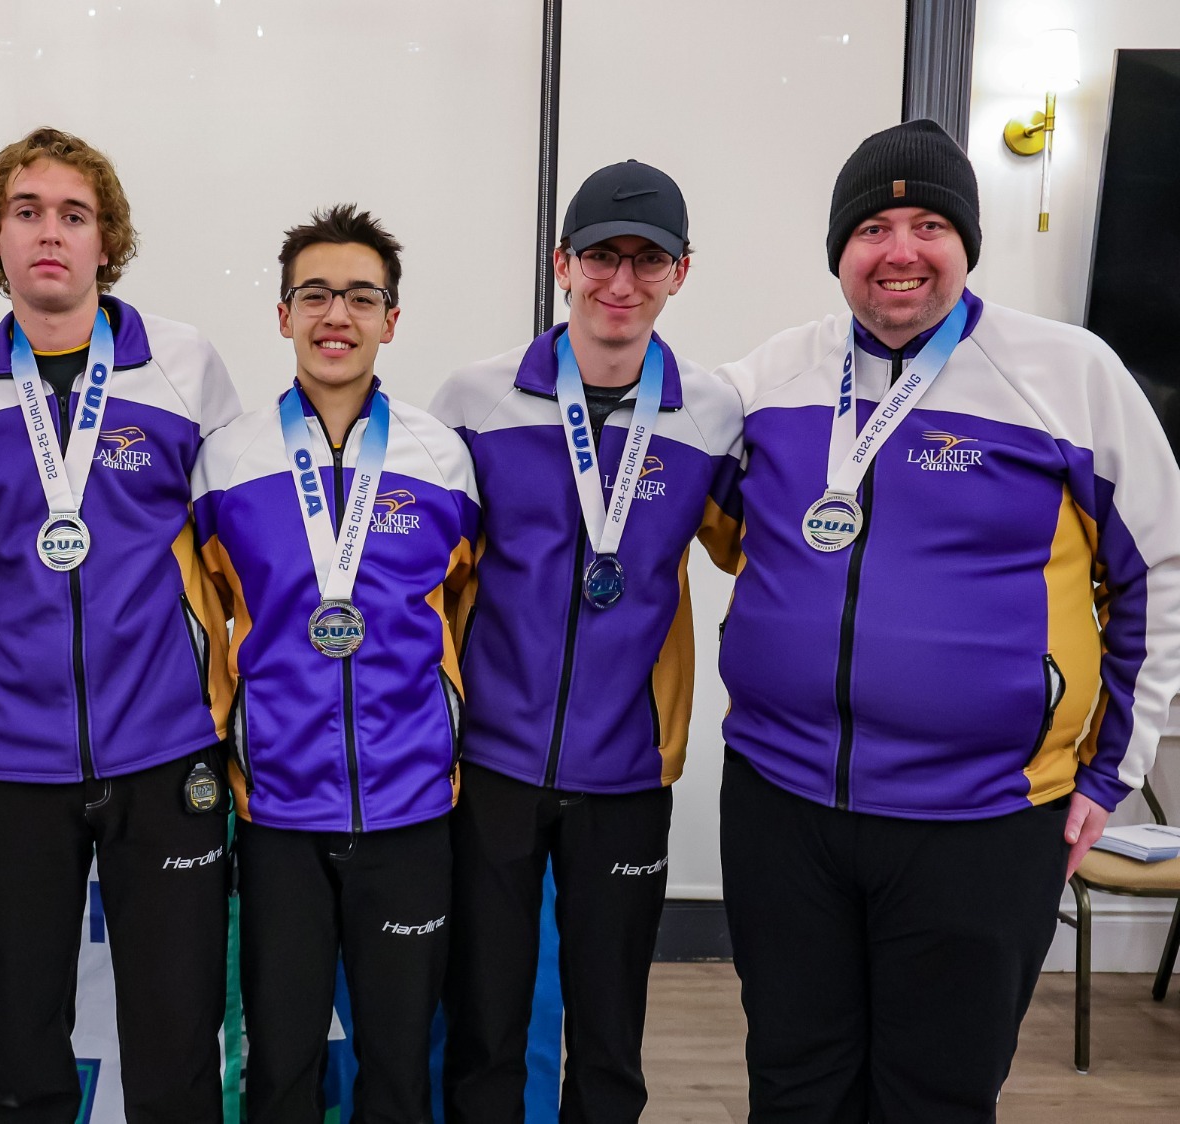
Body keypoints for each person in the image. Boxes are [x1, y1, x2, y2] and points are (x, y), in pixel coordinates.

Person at [707, 118, 1180, 1120]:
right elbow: (695, 506)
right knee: (792, 1084)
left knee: (936, 1097)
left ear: (966, 242)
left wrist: (1114, 769)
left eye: (929, 225)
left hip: (981, 818)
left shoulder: (1067, 374)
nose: (900, 251)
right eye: (871, 228)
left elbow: (1161, 567)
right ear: (839, 249)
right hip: (782, 803)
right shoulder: (768, 378)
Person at [0, 126, 241, 1123]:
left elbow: (240, 558)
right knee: (21, 1047)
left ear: (106, 241)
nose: (50, 232)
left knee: (175, 1046)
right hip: (11, 763)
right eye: (27, 212)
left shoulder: (183, 369)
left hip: (167, 753)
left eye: (74, 215)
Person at [431, 161, 742, 1123]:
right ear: (562, 262)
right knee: (485, 1023)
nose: (622, 281)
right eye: (602, 256)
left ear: (681, 272)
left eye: (648, 261)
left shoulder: (713, 415)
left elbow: (766, 555)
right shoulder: (475, 400)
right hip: (490, 764)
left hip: (627, 771)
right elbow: (426, 574)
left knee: (610, 1036)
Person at [194, 204, 476, 1122]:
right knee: (281, 1067)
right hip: (278, 815)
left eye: (361, 296)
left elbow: (465, 611)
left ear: (392, 318)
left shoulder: (442, 459)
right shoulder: (227, 462)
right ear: (282, 314)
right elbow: (203, 613)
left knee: (399, 1068)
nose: (336, 316)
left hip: (411, 810)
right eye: (314, 295)